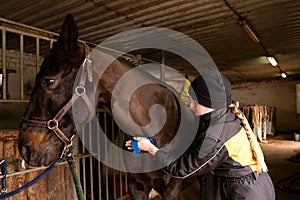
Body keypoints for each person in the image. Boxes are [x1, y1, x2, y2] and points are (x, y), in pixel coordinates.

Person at [126, 71, 275, 200]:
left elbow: (182, 170)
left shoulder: (215, 136)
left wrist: (151, 149)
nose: (190, 105)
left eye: (194, 101)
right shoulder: (226, 116)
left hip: (245, 193)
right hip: (259, 183)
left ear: (208, 103)